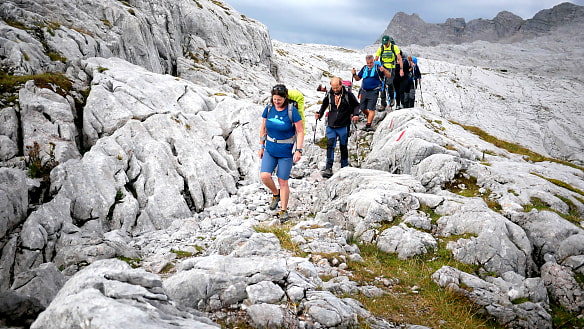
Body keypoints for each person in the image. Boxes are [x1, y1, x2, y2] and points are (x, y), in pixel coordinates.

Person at [258, 84, 305, 222]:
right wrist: (261, 146)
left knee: (282, 181)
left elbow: (300, 131)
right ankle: (275, 193)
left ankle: (283, 210)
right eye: (274, 99)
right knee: (265, 176)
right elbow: (263, 128)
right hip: (270, 149)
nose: (276, 102)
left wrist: (298, 150)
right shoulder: (269, 109)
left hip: (285, 152)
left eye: (279, 99)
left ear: (285, 98)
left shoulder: (292, 111)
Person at [315, 77, 360, 178]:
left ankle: (344, 167)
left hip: (344, 125)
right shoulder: (329, 95)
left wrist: (356, 114)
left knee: (343, 146)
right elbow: (324, 105)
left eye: (337, 87)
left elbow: (357, 105)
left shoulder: (348, 95)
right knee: (330, 145)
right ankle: (328, 168)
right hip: (331, 125)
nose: (335, 90)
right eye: (333, 87)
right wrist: (319, 114)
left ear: (341, 85)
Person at [352, 55, 389, 131]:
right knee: (362, 108)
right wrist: (354, 74)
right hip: (364, 91)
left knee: (371, 108)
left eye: (371, 62)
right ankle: (370, 116)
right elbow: (358, 78)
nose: (369, 64)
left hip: (374, 91)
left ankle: (368, 125)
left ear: (373, 61)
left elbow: (388, 75)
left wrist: (384, 70)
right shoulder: (364, 68)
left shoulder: (377, 68)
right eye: (368, 63)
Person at [374, 36, 403, 110]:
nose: (385, 45)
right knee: (382, 85)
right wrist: (375, 64)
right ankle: (383, 104)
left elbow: (399, 58)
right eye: (384, 43)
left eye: (386, 43)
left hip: (392, 68)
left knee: (389, 83)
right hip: (383, 67)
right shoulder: (381, 48)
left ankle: (392, 98)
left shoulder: (394, 47)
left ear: (389, 41)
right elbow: (376, 57)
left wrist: (401, 69)